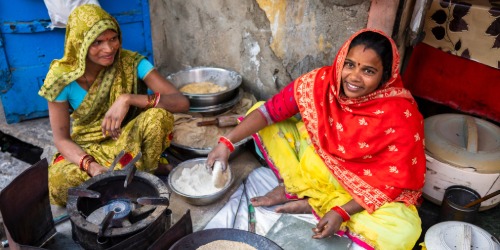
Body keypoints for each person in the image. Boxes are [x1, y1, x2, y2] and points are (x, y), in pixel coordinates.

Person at [207, 29, 425, 249]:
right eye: (349, 65)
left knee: (404, 231)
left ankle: (312, 204)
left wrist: (342, 212)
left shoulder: (400, 114)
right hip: (317, 165)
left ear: (385, 75)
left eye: (368, 70)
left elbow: (392, 182)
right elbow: (270, 111)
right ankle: (299, 192)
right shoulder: (322, 82)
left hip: (361, 189)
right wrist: (227, 143)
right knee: (260, 116)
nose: (354, 77)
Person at [38, 4, 189, 206]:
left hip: (128, 140)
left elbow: (181, 103)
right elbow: (62, 139)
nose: (108, 49)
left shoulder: (130, 62)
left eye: (113, 39)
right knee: (57, 182)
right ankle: (133, 177)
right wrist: (91, 166)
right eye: (97, 42)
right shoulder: (61, 78)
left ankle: (133, 177)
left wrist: (128, 99)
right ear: (80, 43)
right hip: (89, 148)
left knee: (159, 117)